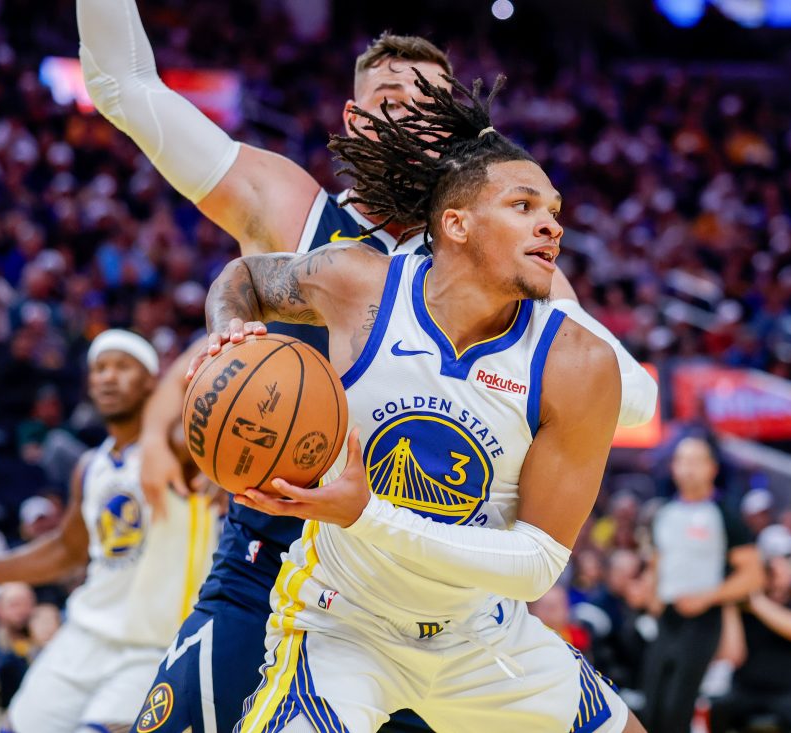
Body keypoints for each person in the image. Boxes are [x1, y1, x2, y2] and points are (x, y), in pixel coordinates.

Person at [76, 3, 657, 729]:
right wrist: (229, 337)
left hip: (436, 592)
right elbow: (123, 85)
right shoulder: (297, 215)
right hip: (280, 564)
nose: (413, 118)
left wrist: (547, 358)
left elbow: (628, 395)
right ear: (354, 121)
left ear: (458, 134)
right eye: (391, 102)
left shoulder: (503, 263)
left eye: (431, 106)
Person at [193, 71, 644, 733]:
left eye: (553, 210)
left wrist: (366, 513)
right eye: (523, 206)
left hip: (483, 635)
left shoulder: (580, 362)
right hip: (342, 623)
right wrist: (226, 336)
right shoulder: (358, 284)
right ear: (455, 223)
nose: (551, 224)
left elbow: (535, 566)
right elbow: (245, 277)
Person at [0, 330, 217, 733]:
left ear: (152, 382)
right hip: (84, 634)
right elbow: (64, 552)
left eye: (123, 367)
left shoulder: (177, 447)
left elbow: (199, 362)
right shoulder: (90, 466)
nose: (107, 377)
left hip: (154, 647)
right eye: (100, 368)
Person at [640, 437, 763, 733]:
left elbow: (753, 575)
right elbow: (658, 562)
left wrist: (708, 597)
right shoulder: (664, 513)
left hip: (704, 619)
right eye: (681, 460)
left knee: (678, 706)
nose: (688, 468)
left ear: (712, 468)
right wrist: (652, 597)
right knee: (651, 702)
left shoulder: (725, 515)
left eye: (696, 461)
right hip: (667, 617)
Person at [710, 557, 791, 733]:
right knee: (718, 711)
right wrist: (730, 600)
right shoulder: (741, 613)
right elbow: (732, 656)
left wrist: (756, 600)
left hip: (784, 694)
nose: (771, 576)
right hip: (744, 691)